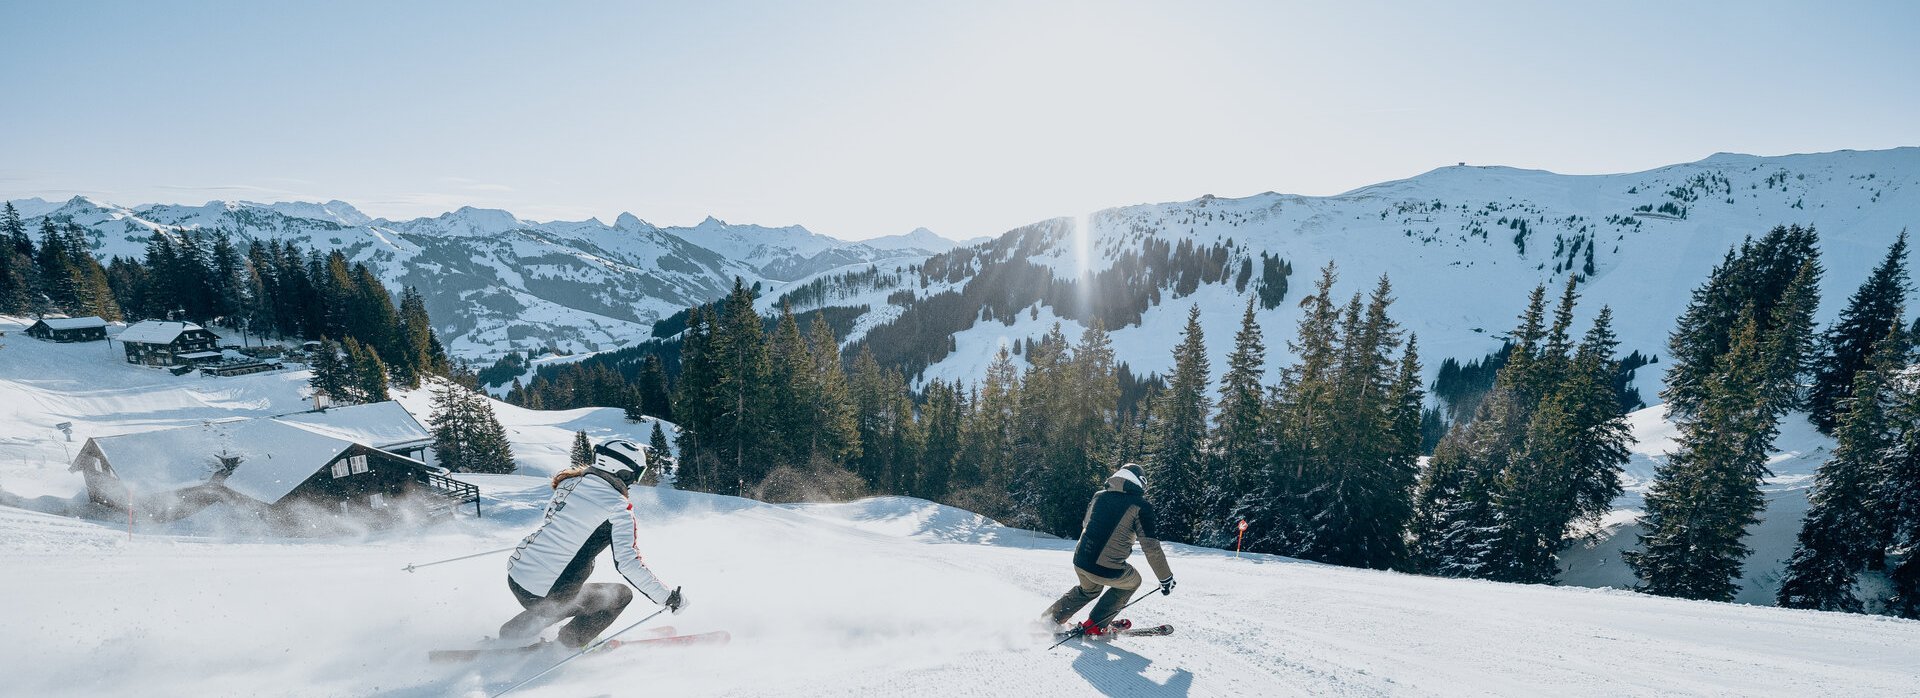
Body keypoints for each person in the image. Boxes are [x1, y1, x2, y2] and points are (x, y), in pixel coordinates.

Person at [499, 438, 687, 648]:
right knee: (618, 596)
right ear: (625, 472)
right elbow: (627, 563)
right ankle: (568, 644)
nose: (635, 481)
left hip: (517, 576)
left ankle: (514, 631)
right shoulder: (619, 508)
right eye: (638, 474)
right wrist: (667, 597)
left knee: (571, 595)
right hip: (546, 594)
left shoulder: (569, 484)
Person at [1042, 463, 1175, 637]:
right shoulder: (1141, 506)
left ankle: (1049, 620)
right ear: (1141, 482)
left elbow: (1086, 524)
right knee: (1133, 581)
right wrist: (1165, 577)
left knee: (1088, 590)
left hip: (1080, 561)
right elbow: (1150, 546)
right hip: (1106, 568)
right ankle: (1096, 624)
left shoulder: (1099, 496)